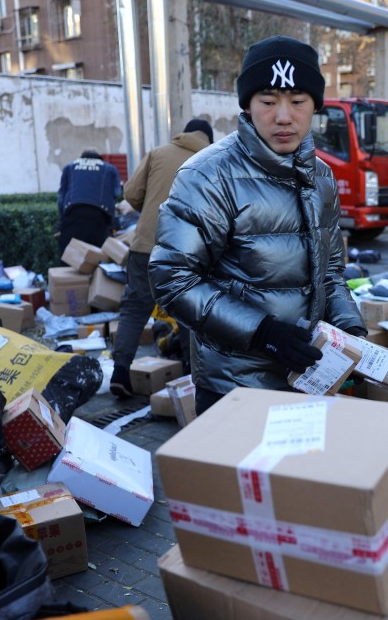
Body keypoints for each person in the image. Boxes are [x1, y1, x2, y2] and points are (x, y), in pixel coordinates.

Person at [148, 35, 366, 414]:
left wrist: (352, 333)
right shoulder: (208, 175)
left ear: (315, 105)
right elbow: (172, 277)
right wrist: (263, 333)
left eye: (298, 102)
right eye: (268, 102)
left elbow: (330, 271)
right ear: (247, 105)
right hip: (233, 386)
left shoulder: (323, 177)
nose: (283, 116)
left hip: (306, 381)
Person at [108, 119, 214, 397]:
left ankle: (120, 371)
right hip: (189, 250)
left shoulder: (158, 152)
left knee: (135, 307)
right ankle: (193, 377)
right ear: (208, 138)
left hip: (146, 245)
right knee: (191, 312)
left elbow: (130, 194)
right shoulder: (215, 160)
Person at [56, 150, 122, 254]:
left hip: (73, 214)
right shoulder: (109, 168)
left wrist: (62, 220)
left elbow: (60, 198)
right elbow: (117, 193)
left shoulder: (69, 167)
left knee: (70, 256)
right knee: (96, 256)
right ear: (100, 159)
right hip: (100, 216)